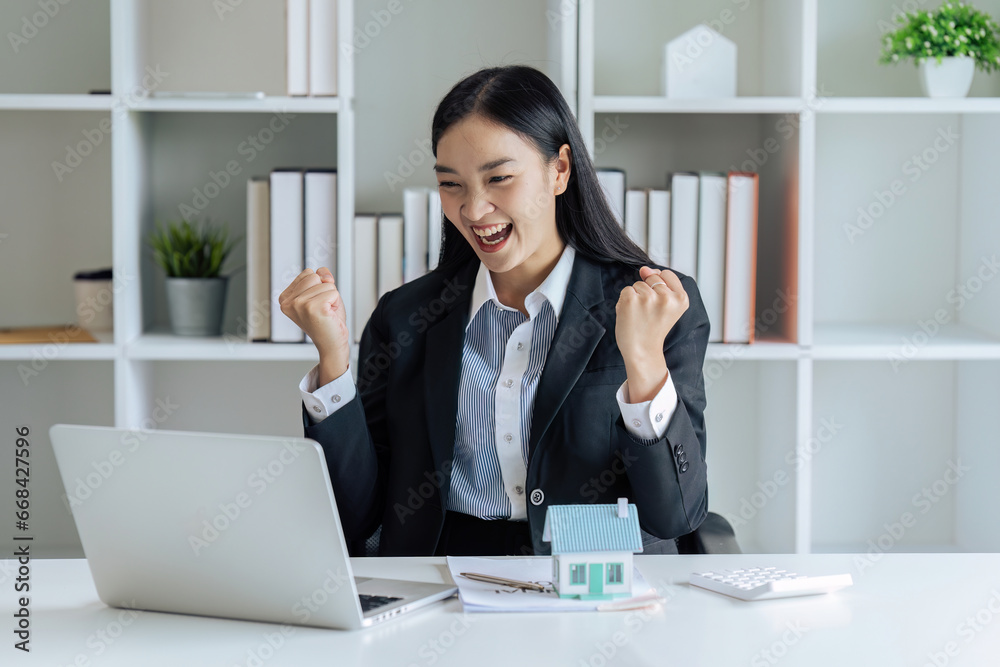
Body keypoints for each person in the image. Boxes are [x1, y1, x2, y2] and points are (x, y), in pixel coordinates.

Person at [279, 65, 710, 557]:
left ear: (560, 170)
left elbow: (676, 514)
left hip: (593, 586)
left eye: (499, 178)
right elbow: (355, 520)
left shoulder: (652, 305)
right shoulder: (405, 317)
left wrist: (645, 363)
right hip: (442, 587)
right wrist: (333, 364)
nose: (474, 210)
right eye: (452, 185)